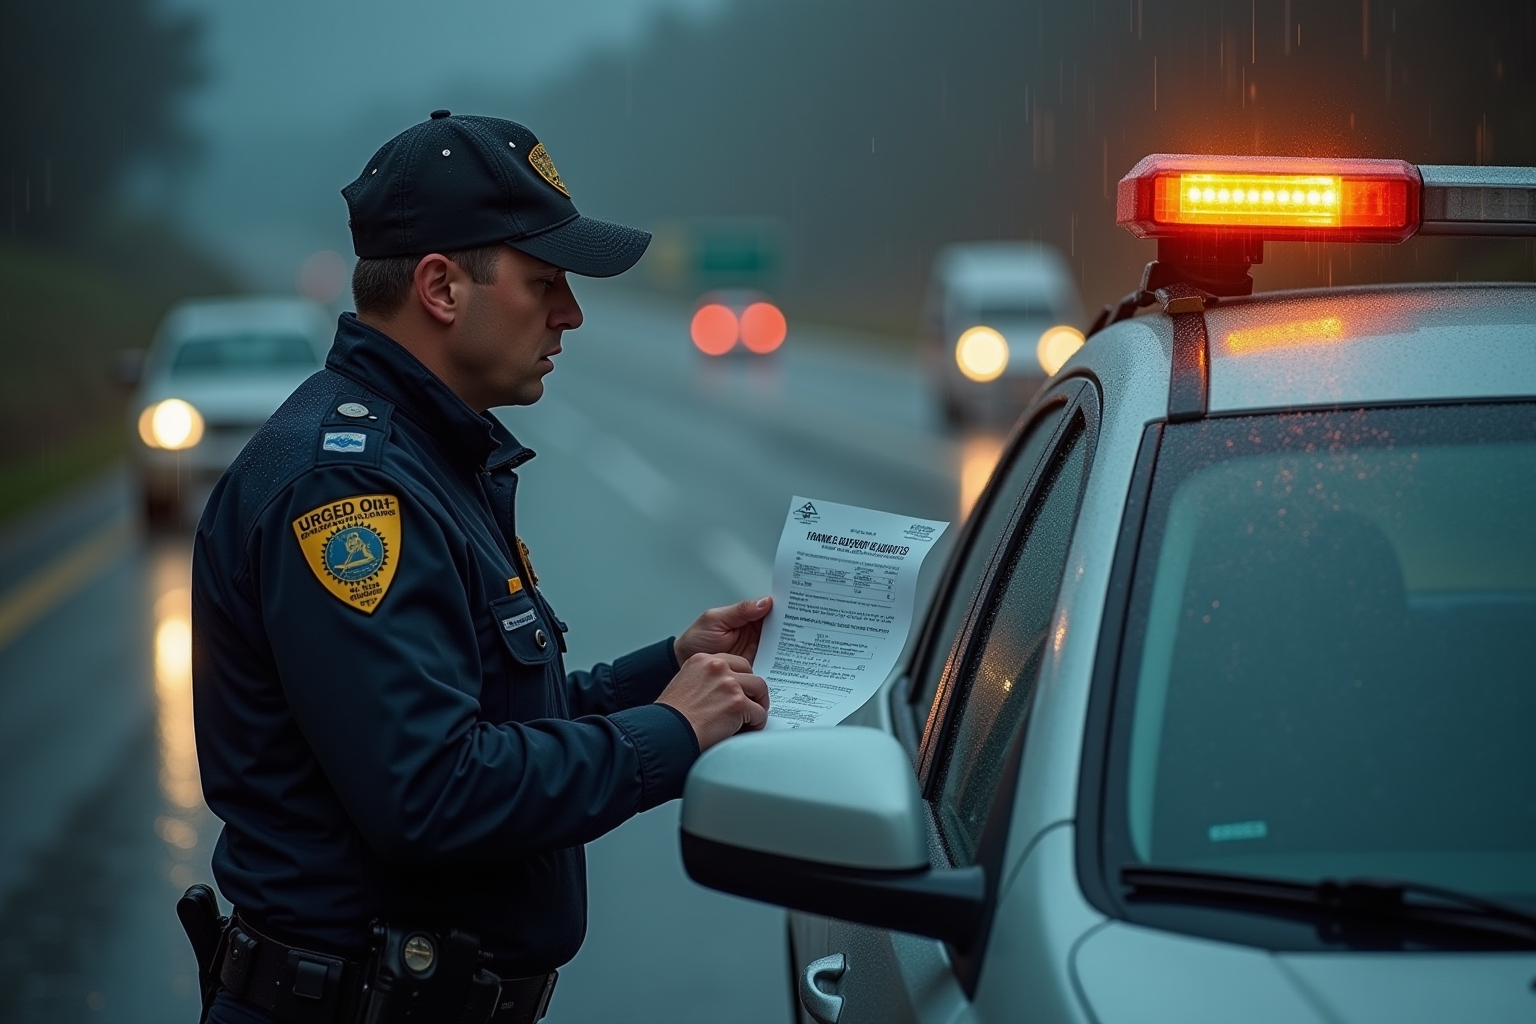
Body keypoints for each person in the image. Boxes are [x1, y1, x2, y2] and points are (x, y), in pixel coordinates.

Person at [189, 110, 772, 1024]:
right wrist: (666, 735)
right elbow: (432, 792)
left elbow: (490, 720)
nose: (571, 312)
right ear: (441, 287)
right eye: (544, 282)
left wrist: (671, 668)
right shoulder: (349, 488)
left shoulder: (423, 456)